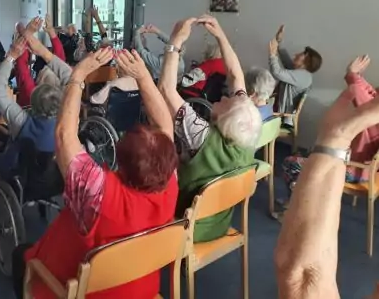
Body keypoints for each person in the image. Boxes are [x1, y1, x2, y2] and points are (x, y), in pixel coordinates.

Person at [12, 47, 178, 299]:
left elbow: (64, 136)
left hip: (81, 290)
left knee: (20, 256)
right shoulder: (169, 183)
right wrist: (143, 77)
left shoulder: (99, 193)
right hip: (142, 289)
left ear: (122, 161)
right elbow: (165, 125)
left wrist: (77, 76)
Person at [158, 14, 262, 242]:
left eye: (227, 102)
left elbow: (166, 90)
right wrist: (220, 35)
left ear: (224, 121)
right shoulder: (248, 133)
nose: (224, 97)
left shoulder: (202, 136)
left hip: (185, 227)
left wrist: (175, 42)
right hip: (218, 224)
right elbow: (235, 76)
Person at [275, 88, 379, 299]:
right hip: (360, 169)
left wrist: (336, 138)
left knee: (292, 163)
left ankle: (289, 202)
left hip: (358, 171)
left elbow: (302, 279)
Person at [282, 55, 379, 191]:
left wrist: (352, 74)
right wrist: (354, 74)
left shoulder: (373, 111)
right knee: (306, 155)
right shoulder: (374, 106)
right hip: (362, 170)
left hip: (351, 168)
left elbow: (360, 92)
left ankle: (297, 200)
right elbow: (371, 94)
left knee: (291, 164)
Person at [0, 29, 69, 178]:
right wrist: (44, 52)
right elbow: (72, 79)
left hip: (25, 179)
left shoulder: (21, 121)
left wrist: (11, 56)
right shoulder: (68, 120)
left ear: (33, 103)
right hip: (58, 179)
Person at [269, 25, 322, 124]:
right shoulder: (302, 74)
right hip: (276, 108)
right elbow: (286, 61)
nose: (295, 55)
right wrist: (278, 41)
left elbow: (277, 72)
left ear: (306, 62)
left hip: (280, 115)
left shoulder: (303, 77)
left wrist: (272, 54)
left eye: (300, 55)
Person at [14, 15, 66, 107]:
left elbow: (21, 67)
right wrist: (51, 32)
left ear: (39, 79)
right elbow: (60, 61)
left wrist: (26, 32)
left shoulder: (30, 94)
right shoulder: (64, 99)